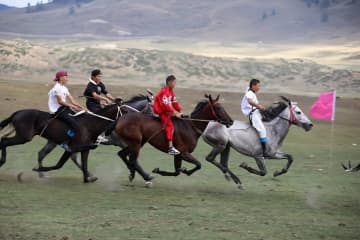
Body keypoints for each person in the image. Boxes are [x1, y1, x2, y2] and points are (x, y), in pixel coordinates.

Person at [48, 70, 91, 152]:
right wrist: (73, 106)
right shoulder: (56, 88)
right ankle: (64, 142)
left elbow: (73, 101)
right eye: (65, 77)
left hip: (64, 108)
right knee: (75, 125)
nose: (67, 78)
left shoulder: (64, 88)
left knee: (81, 118)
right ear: (60, 78)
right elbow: (60, 102)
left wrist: (82, 108)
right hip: (57, 111)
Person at [153, 75, 184, 155]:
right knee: (170, 126)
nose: (175, 84)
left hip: (168, 112)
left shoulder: (171, 91)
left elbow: (175, 103)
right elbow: (165, 106)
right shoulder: (164, 92)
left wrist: (180, 111)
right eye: (174, 82)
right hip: (162, 112)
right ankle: (170, 148)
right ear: (169, 82)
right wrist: (175, 113)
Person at [240, 78, 271, 158]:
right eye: (258, 86)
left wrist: (261, 108)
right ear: (253, 86)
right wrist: (259, 106)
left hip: (255, 112)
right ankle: (264, 151)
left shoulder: (251, 91)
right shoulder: (250, 93)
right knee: (262, 130)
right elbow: (250, 101)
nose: (259, 88)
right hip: (252, 114)